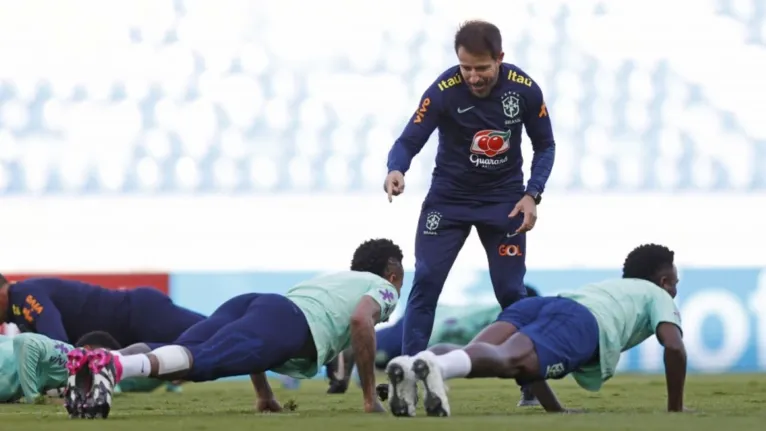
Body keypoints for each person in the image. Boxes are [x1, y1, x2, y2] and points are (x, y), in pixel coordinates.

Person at [383, 19, 556, 406]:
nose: (474, 77)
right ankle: (408, 377)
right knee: (426, 280)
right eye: (466, 68)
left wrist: (533, 195)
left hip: (504, 203)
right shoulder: (444, 90)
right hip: (449, 201)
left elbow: (545, 146)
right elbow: (410, 136)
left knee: (512, 292)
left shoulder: (525, 91)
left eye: (482, 68)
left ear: (500, 59)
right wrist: (396, 168)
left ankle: (530, 385)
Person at [64, 238, 405, 419]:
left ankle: (101, 360)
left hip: (259, 303)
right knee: (197, 362)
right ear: (392, 273)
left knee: (177, 356)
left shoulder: (335, 278)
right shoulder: (383, 287)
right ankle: (115, 366)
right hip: (287, 321)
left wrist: (264, 395)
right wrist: (368, 396)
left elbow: (263, 333)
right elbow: (361, 321)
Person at [385, 244, 687, 417]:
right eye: (673, 283)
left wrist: (556, 411)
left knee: (480, 356)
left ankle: (412, 366)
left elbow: (532, 364)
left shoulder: (612, 287)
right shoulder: (657, 295)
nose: (673, 290)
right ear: (663, 282)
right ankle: (435, 366)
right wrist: (675, 410)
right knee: (506, 359)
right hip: (580, 320)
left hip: (547, 304)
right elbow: (673, 346)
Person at [326, 284, 540, 398]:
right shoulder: (510, 318)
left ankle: (358, 355)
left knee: (391, 347)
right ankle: (350, 349)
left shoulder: (493, 311)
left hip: (436, 318)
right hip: (437, 327)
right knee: (390, 350)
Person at [0, 276, 206, 348]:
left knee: (215, 332)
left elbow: (56, 341)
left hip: (140, 313)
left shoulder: (25, 294)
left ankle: (240, 315)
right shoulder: (19, 309)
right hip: (133, 330)